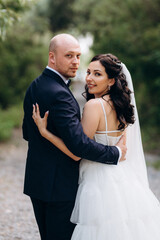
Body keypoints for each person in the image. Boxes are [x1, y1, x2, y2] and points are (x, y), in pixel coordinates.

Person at [33, 53, 160, 240]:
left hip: (97, 180)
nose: (89, 78)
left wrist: (46, 133)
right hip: (122, 176)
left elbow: (77, 153)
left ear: (111, 81)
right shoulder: (123, 106)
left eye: (97, 74)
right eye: (89, 72)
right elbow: (122, 147)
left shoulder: (95, 105)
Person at [22, 34, 126, 240]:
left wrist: (45, 133)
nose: (76, 61)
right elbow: (79, 146)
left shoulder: (35, 85)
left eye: (78, 56)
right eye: (69, 56)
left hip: (38, 182)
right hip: (60, 187)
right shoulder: (59, 93)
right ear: (52, 57)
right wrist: (113, 153)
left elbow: (27, 133)